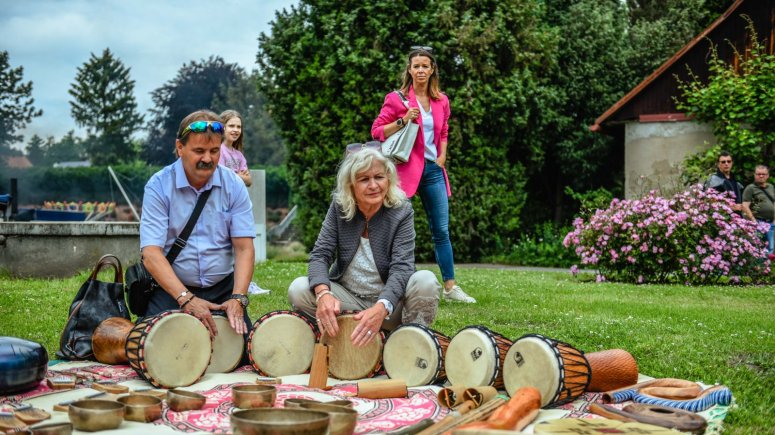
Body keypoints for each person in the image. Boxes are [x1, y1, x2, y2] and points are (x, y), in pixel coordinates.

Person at [287, 147, 440, 346]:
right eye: (364, 179)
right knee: (298, 289)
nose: (373, 185)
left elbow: (402, 267)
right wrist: (324, 294)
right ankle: (343, 338)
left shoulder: (402, 211)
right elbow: (320, 255)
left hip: (389, 306)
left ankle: (407, 343)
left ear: (389, 179)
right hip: (347, 301)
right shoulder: (340, 207)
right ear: (351, 184)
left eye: (379, 177)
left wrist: (382, 306)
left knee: (426, 281)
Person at [371, 46, 475, 303]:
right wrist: (403, 120)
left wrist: (442, 156)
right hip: (404, 171)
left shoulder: (442, 100)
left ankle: (450, 287)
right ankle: (391, 284)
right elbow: (377, 131)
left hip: (433, 171)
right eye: (416, 66)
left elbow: (444, 130)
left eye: (424, 66)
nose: (420, 70)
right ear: (409, 70)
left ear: (431, 70)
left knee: (441, 230)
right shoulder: (396, 99)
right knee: (395, 229)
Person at [140, 110, 256, 339]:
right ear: (180, 147)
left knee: (244, 352)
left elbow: (244, 248)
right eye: (199, 151)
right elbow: (151, 254)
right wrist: (186, 298)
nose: (208, 159)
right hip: (172, 289)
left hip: (223, 288)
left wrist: (238, 298)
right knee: (155, 350)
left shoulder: (234, 185)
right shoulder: (158, 185)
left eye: (214, 151)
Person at [742, 165, 775, 254]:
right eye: (758, 174)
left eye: (763, 174)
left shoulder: (771, 187)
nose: (761, 176)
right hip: (758, 223)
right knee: (758, 249)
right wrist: (754, 221)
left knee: (771, 248)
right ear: (754, 175)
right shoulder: (750, 188)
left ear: (767, 176)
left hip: (771, 223)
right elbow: (745, 206)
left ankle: (768, 263)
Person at [219, 110, 252, 187]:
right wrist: (239, 176)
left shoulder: (239, 155)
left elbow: (248, 181)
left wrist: (232, 176)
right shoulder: (218, 150)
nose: (236, 130)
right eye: (231, 126)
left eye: (238, 127)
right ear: (222, 127)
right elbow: (221, 177)